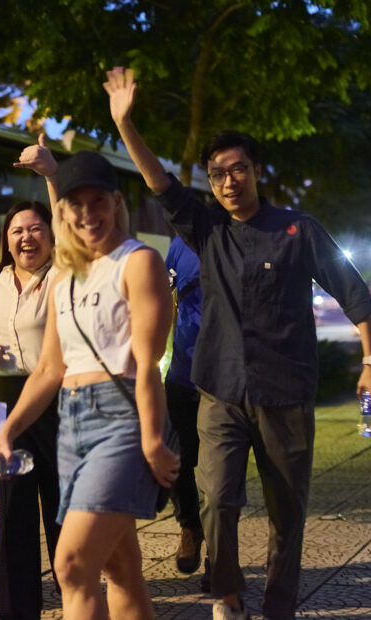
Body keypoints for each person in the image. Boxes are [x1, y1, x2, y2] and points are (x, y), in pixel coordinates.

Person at [104, 66, 371, 620]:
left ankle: (278, 607)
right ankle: (227, 596)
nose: (229, 181)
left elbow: (353, 293)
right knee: (215, 500)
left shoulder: (297, 230)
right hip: (221, 392)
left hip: (284, 395)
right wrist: (124, 123)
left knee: (287, 512)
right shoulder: (207, 231)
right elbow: (160, 184)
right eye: (217, 174)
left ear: (257, 171)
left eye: (238, 170)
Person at [0, 150, 180, 619]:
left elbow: (148, 363)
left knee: (71, 564)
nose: (87, 213)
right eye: (76, 205)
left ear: (115, 203)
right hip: (71, 424)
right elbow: (50, 369)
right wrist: (7, 431)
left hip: (122, 421)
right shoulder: (63, 279)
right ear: (64, 213)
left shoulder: (138, 263)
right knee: (121, 567)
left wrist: (152, 439)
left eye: (98, 202)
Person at [0, 193, 61, 618]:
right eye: (17, 231)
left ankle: (76, 589)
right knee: (13, 512)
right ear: (6, 240)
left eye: (35, 228)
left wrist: (50, 176)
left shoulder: (63, 276)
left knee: (62, 506)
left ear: (50, 234)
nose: (27, 238)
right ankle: (17, 611)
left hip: (55, 399)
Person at [164, 236, 209, 585]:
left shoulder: (234, 236)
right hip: (181, 374)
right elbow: (163, 297)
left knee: (220, 472)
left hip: (223, 381)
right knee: (178, 460)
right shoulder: (179, 244)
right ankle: (190, 527)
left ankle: (222, 555)